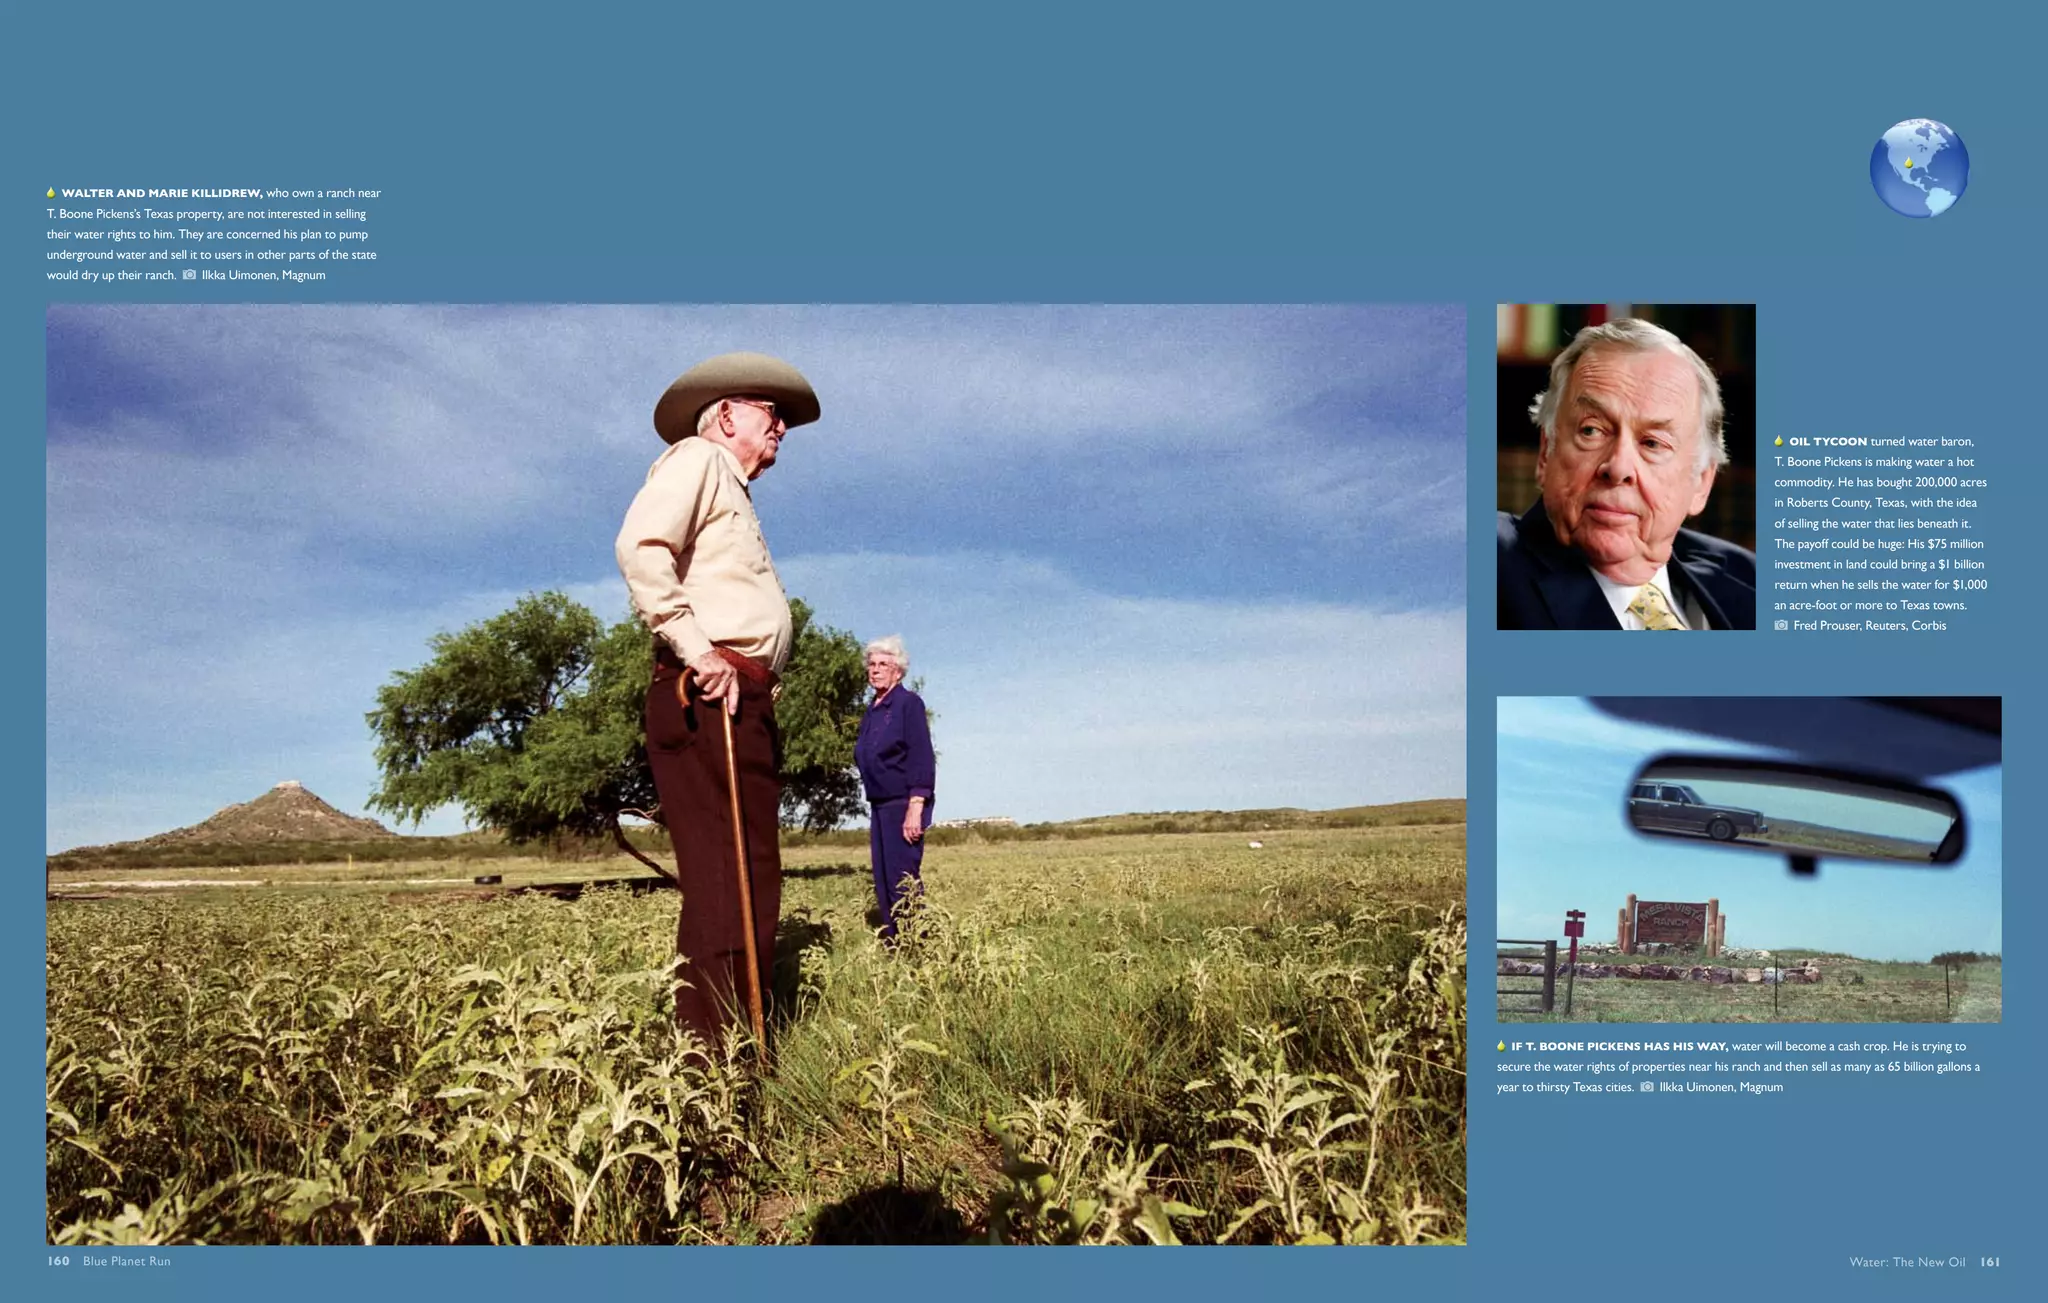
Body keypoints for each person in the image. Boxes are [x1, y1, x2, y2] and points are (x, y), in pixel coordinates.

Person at [615, 351, 820, 1047]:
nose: (783, 425)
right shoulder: (697, 461)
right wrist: (700, 651)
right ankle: (717, 1063)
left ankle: (723, 1052)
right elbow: (641, 548)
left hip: (741, 701)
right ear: (727, 414)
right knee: (731, 877)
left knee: (747, 875)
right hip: (710, 693)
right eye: (772, 411)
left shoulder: (735, 487)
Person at [1498, 319, 1755, 630]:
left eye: (1652, 443)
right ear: (1546, 452)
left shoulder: (1752, 582)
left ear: (1702, 482)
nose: (1618, 468)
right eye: (1591, 430)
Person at [852, 635, 936, 943]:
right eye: (871, 664)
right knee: (884, 880)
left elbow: (921, 756)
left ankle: (920, 945)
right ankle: (894, 945)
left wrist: (916, 807)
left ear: (897, 671)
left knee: (903, 879)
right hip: (880, 805)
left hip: (903, 803)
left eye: (883, 664)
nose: (875, 670)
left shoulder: (907, 704)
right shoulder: (872, 710)